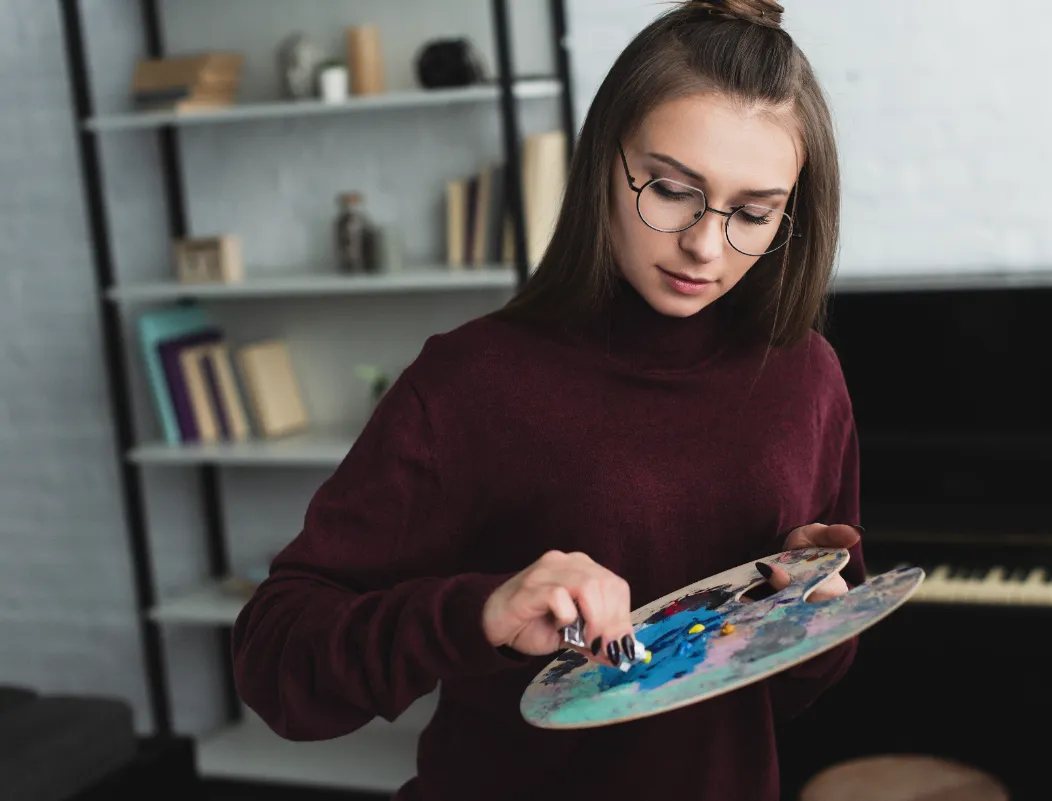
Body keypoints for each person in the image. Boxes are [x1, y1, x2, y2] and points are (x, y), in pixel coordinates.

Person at [231, 1, 866, 799]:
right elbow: (276, 663)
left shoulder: (807, 376)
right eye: (671, 190)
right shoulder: (472, 379)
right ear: (605, 158)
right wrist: (480, 613)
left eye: (753, 212)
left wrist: (808, 611)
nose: (706, 245)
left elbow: (796, 687)